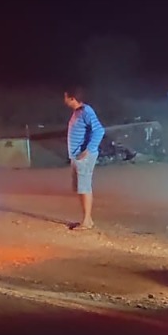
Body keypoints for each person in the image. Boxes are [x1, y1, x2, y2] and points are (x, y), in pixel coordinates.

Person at [64, 86, 105, 230]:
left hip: (84, 157)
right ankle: (87, 219)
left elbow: (99, 130)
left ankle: (87, 221)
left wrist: (89, 150)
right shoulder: (78, 112)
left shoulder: (86, 111)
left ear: (72, 98)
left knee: (84, 187)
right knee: (81, 188)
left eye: (66, 97)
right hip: (77, 156)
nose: (64, 100)